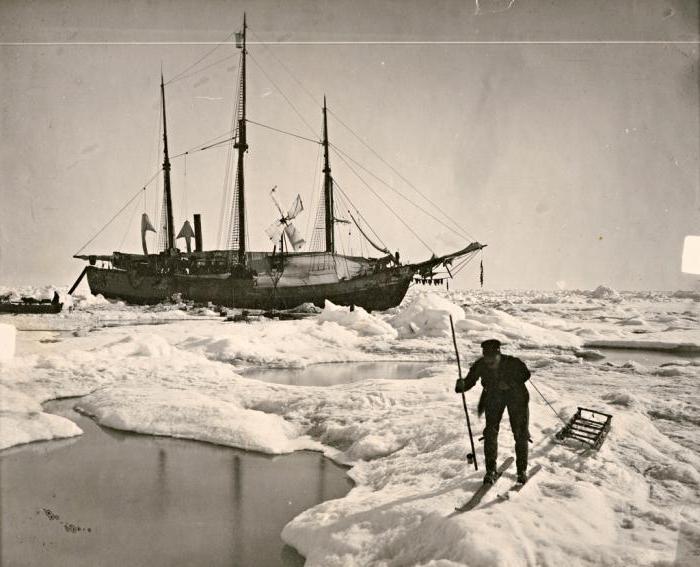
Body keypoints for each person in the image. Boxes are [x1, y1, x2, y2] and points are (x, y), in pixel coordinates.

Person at [455, 339, 531, 485]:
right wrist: (462, 385)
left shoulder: (513, 362)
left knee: (520, 432)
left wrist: (510, 383)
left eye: (491, 358)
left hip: (517, 397)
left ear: (498, 354)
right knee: (490, 432)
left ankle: (521, 470)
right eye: (486, 357)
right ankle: (490, 471)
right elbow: (470, 380)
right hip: (494, 396)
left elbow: (526, 374)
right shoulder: (480, 364)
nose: (488, 362)